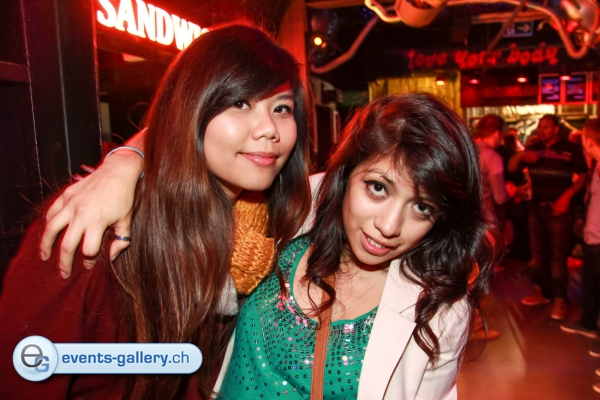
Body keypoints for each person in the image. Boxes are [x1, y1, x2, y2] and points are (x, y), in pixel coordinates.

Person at [0, 23, 312, 400]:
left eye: (281, 108)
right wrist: (126, 159)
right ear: (191, 108)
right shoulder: (93, 227)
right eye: (240, 103)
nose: (269, 129)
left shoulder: (270, 231)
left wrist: (127, 156)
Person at [216, 94, 499, 399]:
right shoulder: (289, 210)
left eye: (421, 207)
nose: (389, 226)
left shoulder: (440, 312)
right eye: (378, 188)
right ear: (347, 172)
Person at [509, 114, 588, 320]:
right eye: (539, 127)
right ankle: (541, 291)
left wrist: (566, 197)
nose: (541, 130)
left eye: (545, 127)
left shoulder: (570, 149)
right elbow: (511, 167)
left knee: (558, 256)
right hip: (536, 208)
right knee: (538, 253)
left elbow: (583, 176)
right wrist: (520, 156)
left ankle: (560, 299)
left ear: (555, 129)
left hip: (560, 209)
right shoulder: (533, 149)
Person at [561, 119, 600, 340]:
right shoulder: (595, 165)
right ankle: (588, 324)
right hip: (592, 236)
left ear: (589, 140)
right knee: (590, 283)